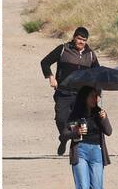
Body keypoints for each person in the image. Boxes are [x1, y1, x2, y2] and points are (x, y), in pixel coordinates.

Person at [41, 27, 100, 155]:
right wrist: (51, 77)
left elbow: (98, 74)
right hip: (63, 92)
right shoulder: (63, 49)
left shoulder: (90, 55)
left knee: (80, 122)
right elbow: (45, 62)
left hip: (82, 95)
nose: (81, 42)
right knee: (61, 119)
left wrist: (97, 93)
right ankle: (64, 138)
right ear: (74, 37)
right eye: (79, 39)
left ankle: (76, 151)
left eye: (84, 40)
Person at [60, 86, 112, 189]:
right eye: (92, 96)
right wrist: (76, 132)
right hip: (80, 150)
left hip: (96, 151)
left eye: (97, 96)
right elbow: (63, 134)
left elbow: (109, 131)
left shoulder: (100, 112)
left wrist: (104, 119)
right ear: (85, 97)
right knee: (82, 186)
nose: (96, 99)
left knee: (97, 188)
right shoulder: (75, 114)